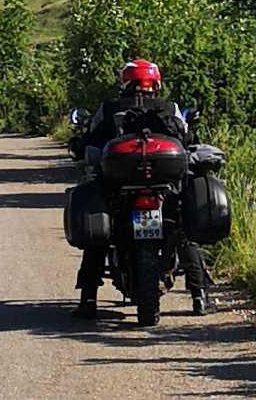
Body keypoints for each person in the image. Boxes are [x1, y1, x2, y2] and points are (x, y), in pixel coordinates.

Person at [73, 58, 212, 319]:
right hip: (163, 188)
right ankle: (199, 297)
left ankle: (88, 299)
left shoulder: (109, 109)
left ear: (125, 82)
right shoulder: (169, 108)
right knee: (182, 230)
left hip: (119, 188)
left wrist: (80, 146)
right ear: (155, 83)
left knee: (100, 234)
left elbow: (89, 140)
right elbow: (188, 138)